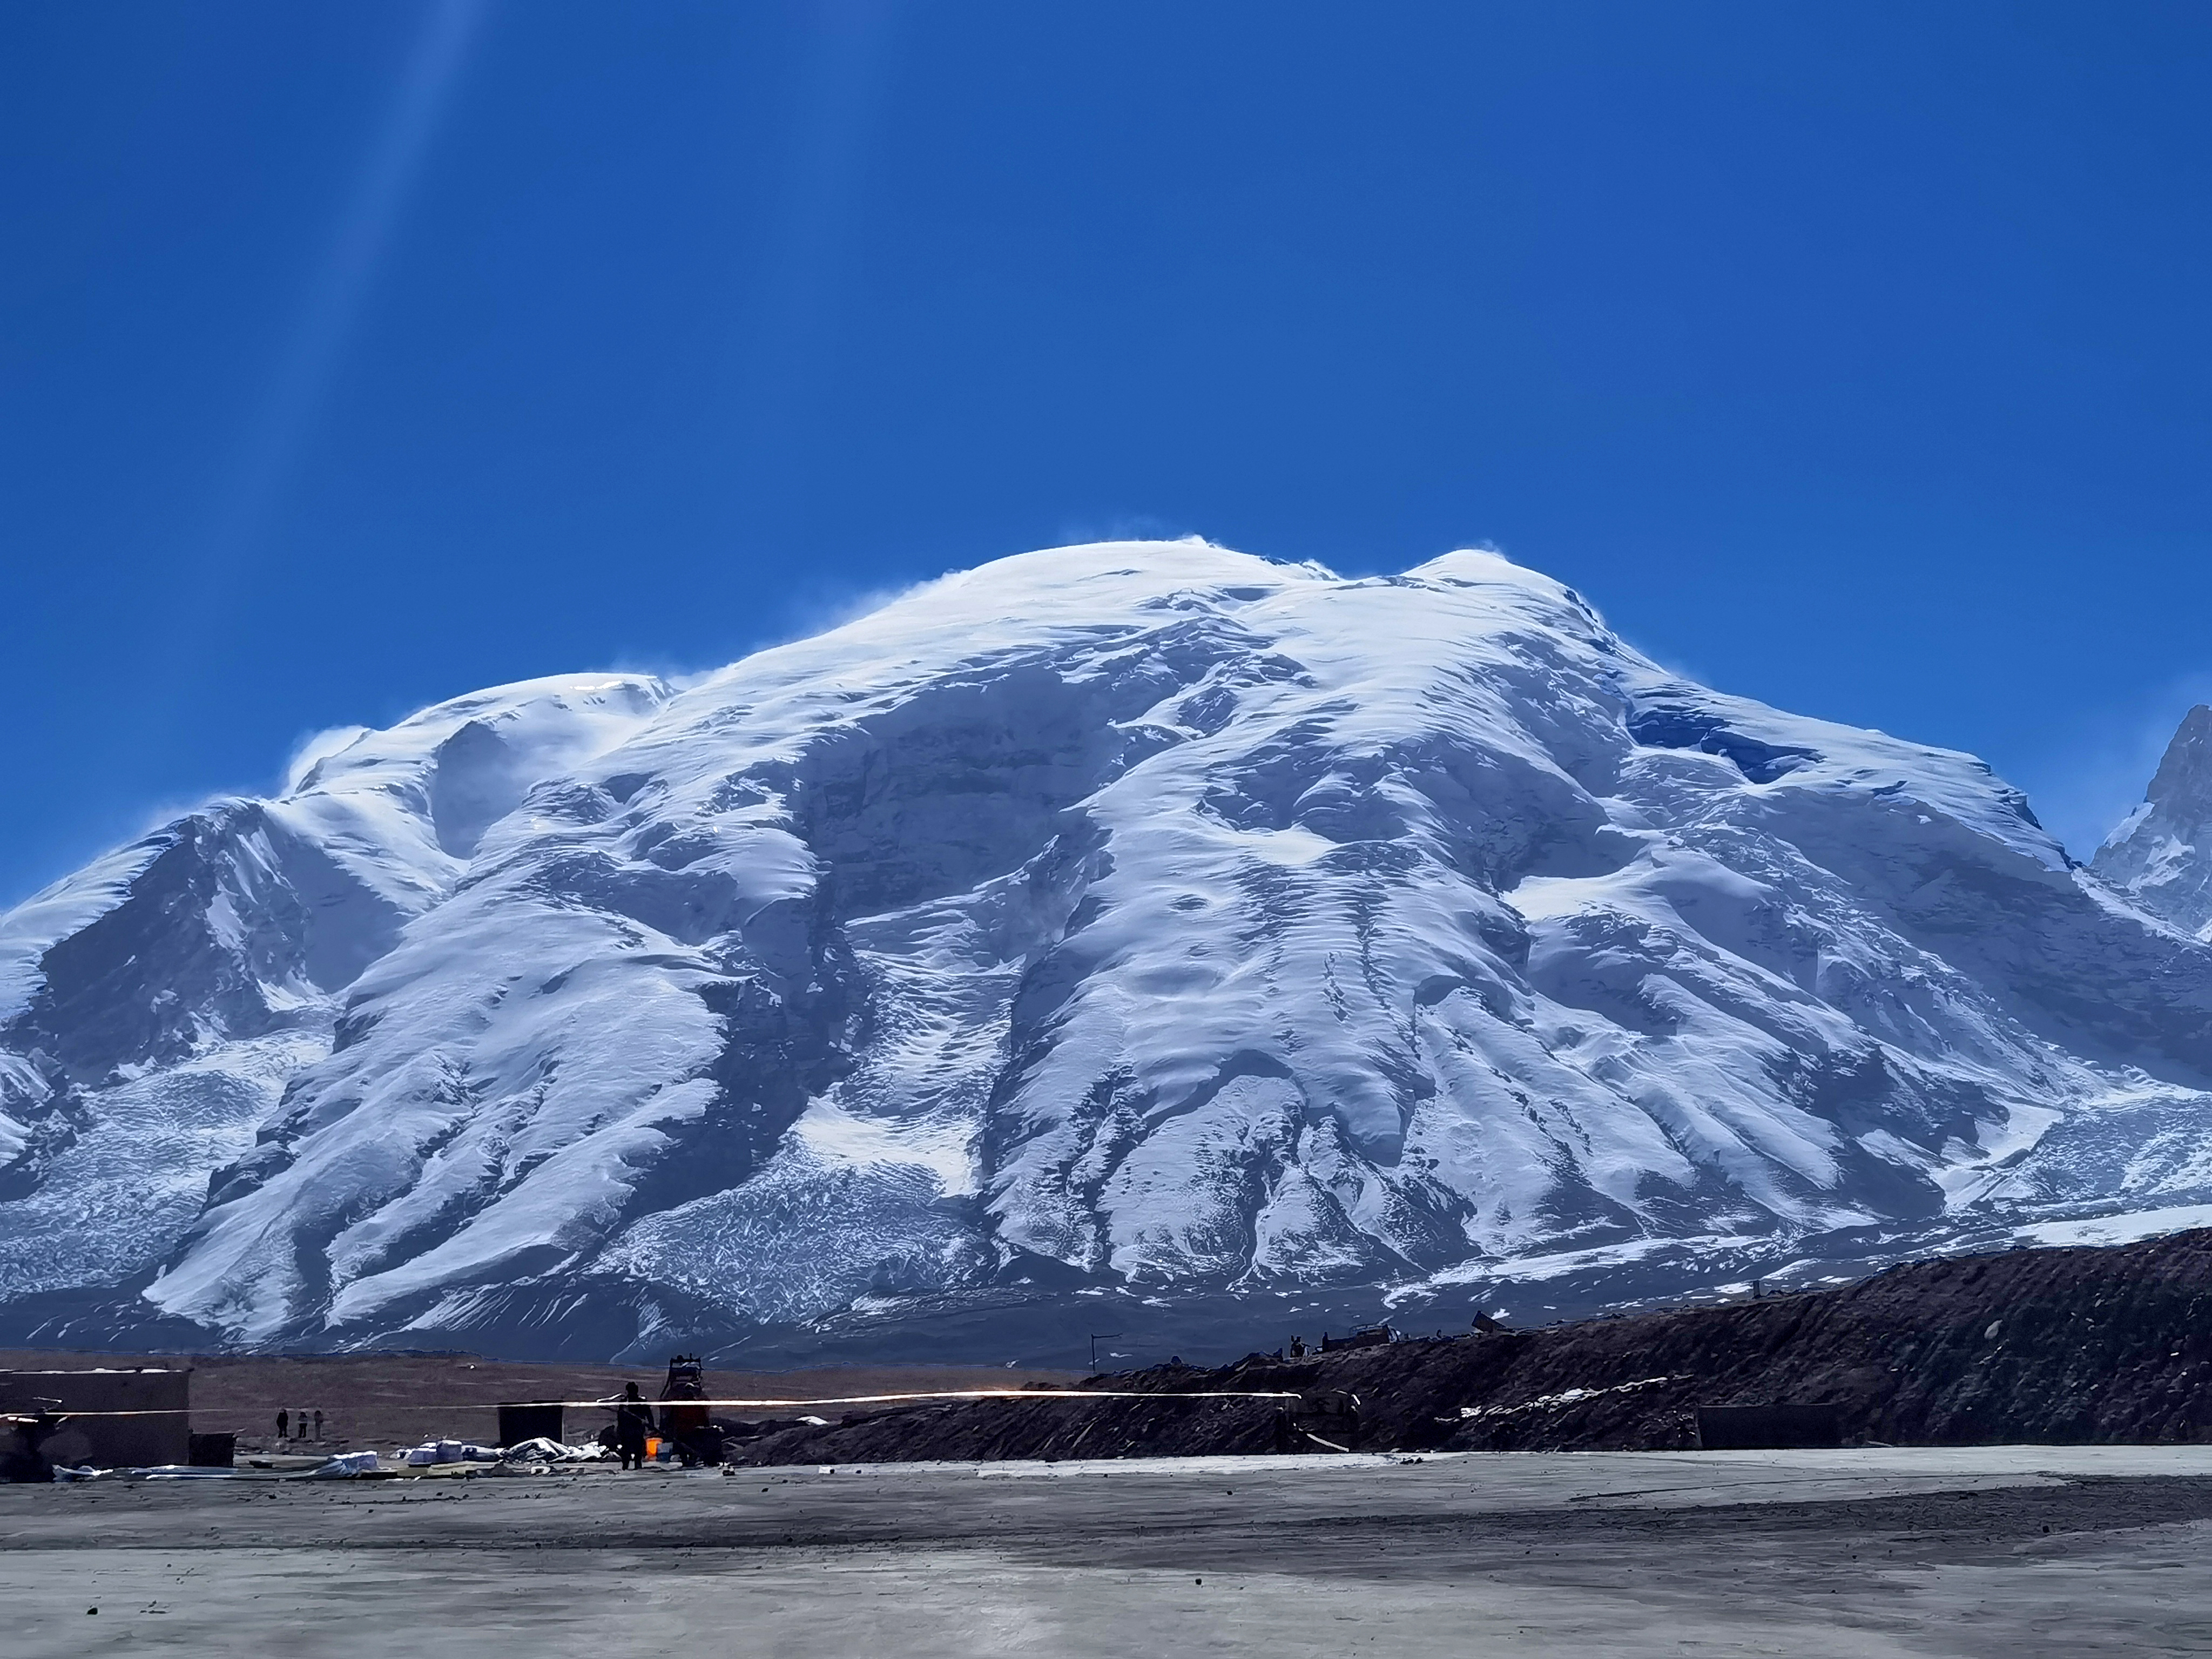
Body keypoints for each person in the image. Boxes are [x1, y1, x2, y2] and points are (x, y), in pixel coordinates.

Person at [611, 1382, 653, 1471]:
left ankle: (635, 1465)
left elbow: (649, 1415)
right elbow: (620, 1417)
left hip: (636, 1430)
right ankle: (627, 1465)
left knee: (636, 1449)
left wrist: (651, 1425)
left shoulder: (640, 1402)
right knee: (628, 1449)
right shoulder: (624, 1403)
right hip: (627, 1430)